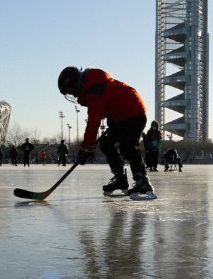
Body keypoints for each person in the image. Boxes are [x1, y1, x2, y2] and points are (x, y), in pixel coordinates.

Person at [58, 66, 155, 198]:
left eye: (71, 90)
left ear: (75, 83)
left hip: (133, 114)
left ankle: (142, 180)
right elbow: (111, 101)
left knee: (127, 146)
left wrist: (86, 148)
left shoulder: (93, 89)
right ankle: (120, 178)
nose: (73, 95)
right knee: (105, 142)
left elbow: (93, 123)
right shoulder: (92, 85)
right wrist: (112, 121)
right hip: (121, 116)